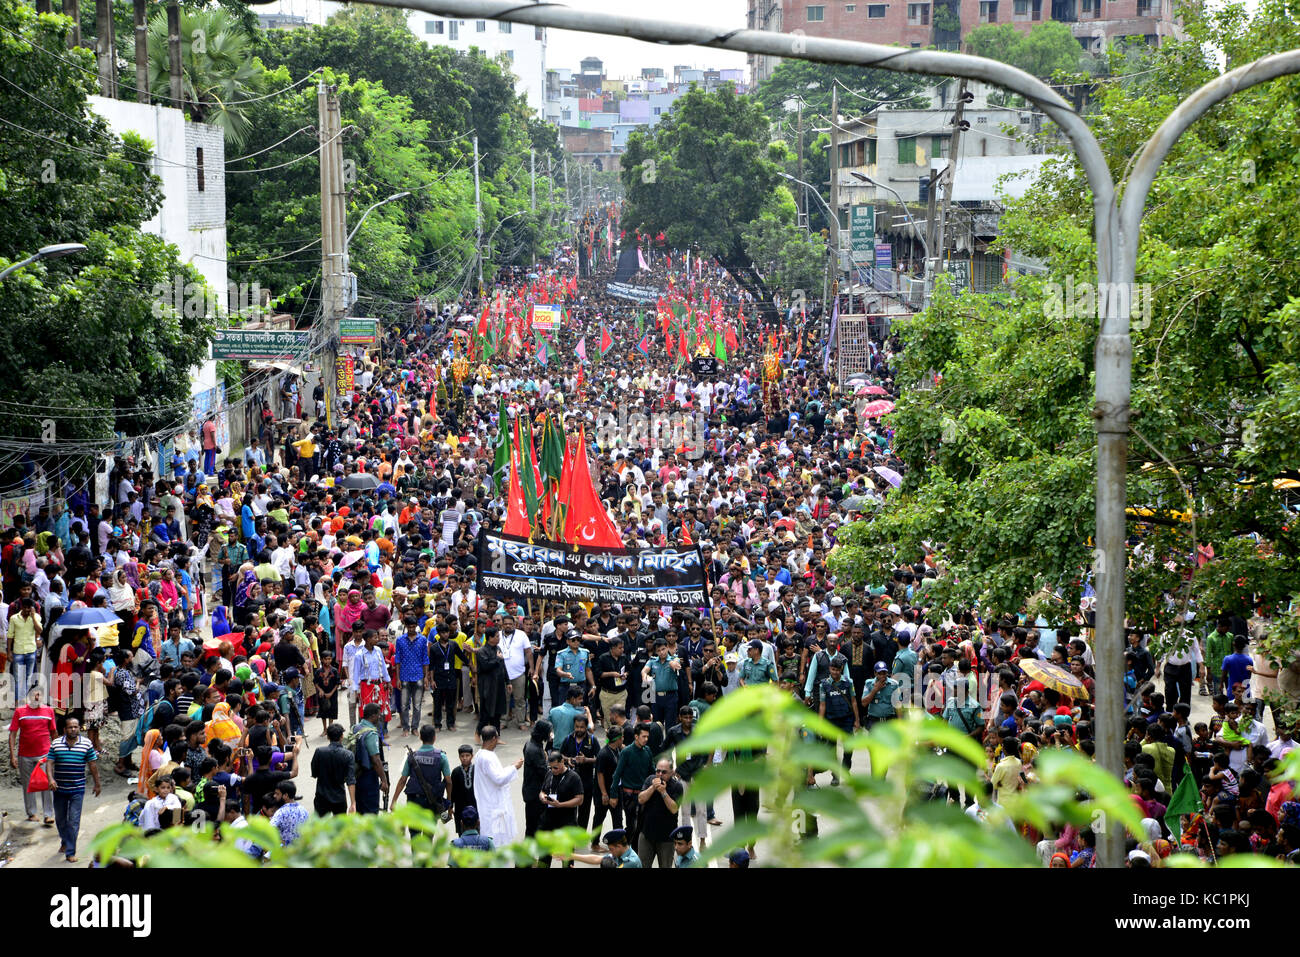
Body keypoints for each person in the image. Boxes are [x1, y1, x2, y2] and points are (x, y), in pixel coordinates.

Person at [45, 716, 101, 863]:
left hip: (77, 789)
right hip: (59, 789)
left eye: (76, 727)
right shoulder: (56, 744)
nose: (73, 729)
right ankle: (65, 840)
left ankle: (70, 851)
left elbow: (92, 765)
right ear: (65, 729)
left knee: (74, 821)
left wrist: (97, 784)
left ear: (79, 728)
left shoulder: (87, 744)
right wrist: (51, 779)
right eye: (70, 727)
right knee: (60, 819)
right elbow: (49, 763)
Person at [8, 685, 57, 826]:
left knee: (47, 784)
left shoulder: (48, 711)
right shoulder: (20, 711)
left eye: (39, 695)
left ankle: (48, 815)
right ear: (29, 696)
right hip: (25, 754)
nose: (37, 697)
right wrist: (13, 755)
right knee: (28, 784)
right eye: (34, 695)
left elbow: (54, 733)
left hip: (44, 754)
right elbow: (12, 734)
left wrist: (57, 752)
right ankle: (32, 813)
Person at [471, 725, 522, 850]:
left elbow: (495, 775)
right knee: (498, 843)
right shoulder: (487, 757)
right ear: (494, 738)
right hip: (493, 808)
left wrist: (509, 768)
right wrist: (514, 767)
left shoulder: (482, 754)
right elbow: (499, 779)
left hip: (490, 805)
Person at [537, 749, 584, 867]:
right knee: (544, 858)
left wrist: (560, 805)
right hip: (548, 823)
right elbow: (542, 790)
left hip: (566, 824)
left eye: (555, 767)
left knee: (567, 859)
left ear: (562, 762)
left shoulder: (574, 777)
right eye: (551, 767)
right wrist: (542, 796)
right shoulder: (549, 774)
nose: (553, 770)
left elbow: (579, 799)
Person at [636, 758, 684, 868]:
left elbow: (674, 809)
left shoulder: (677, 786)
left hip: (666, 838)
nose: (660, 774)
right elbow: (640, 799)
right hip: (647, 835)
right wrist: (653, 787)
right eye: (658, 771)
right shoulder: (650, 780)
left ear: (672, 772)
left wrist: (663, 792)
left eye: (664, 772)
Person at [310, 722, 356, 816]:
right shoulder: (348, 755)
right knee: (339, 828)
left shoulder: (319, 751)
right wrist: (353, 802)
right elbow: (350, 780)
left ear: (328, 737)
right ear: (342, 737)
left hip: (321, 796)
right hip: (339, 797)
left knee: (320, 827)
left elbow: (314, 773)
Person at [351, 702, 389, 814]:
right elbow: (376, 760)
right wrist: (384, 780)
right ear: (372, 716)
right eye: (378, 714)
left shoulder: (356, 727)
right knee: (371, 812)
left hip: (357, 774)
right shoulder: (371, 734)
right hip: (368, 777)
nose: (380, 717)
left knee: (361, 810)